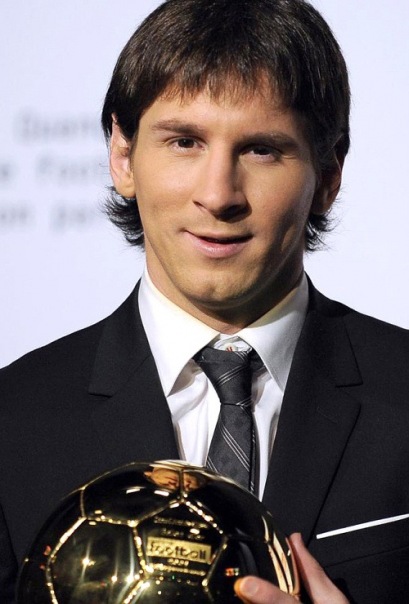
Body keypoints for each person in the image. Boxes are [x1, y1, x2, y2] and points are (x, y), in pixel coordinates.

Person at [1, 0, 409, 602]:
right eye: (185, 141)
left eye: (261, 150)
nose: (218, 195)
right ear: (122, 156)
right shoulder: (12, 420)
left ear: (328, 175)